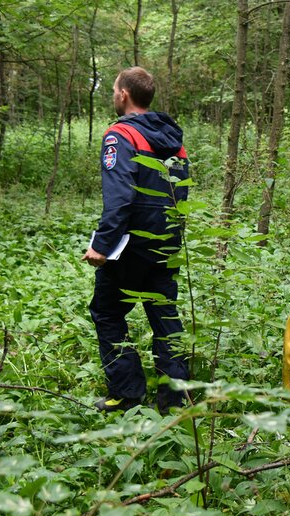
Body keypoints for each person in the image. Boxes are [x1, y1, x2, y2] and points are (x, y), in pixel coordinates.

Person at [82, 67, 190, 414]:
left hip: (130, 247)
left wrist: (101, 245)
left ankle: (127, 394)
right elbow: (180, 195)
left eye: (114, 90)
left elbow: (120, 198)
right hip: (168, 243)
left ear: (124, 94)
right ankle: (175, 400)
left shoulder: (120, 135)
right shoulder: (174, 139)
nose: (113, 95)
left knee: (106, 311)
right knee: (164, 314)